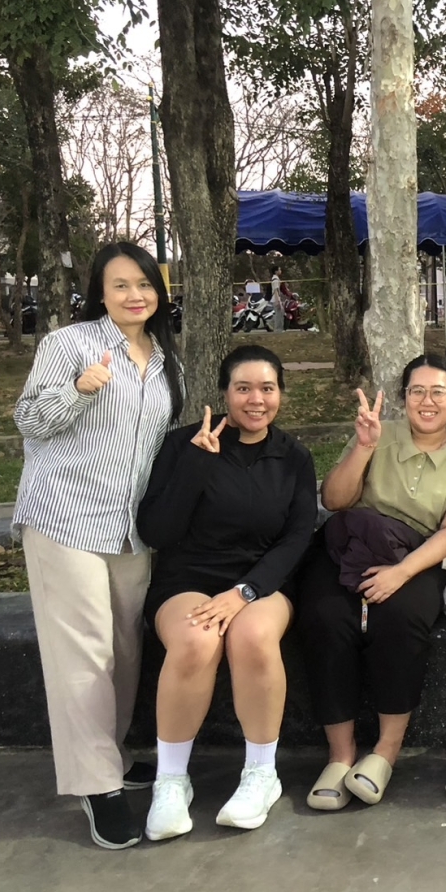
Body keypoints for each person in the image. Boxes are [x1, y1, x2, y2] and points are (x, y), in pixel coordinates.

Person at [12, 241, 185, 849]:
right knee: (84, 654)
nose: (135, 295)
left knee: (124, 649)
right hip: (65, 518)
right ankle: (97, 785)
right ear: (100, 293)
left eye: (145, 284)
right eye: (121, 285)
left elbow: (160, 444)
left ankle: (109, 753)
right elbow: (29, 420)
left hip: (130, 528)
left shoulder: (167, 360)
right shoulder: (69, 344)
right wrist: (79, 390)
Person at [135, 345, 316, 839]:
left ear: (280, 394)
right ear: (224, 393)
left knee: (252, 637)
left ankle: (261, 773)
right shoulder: (184, 445)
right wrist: (196, 464)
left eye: (267, 388)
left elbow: (298, 536)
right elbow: (157, 531)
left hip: (262, 581)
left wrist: (247, 591)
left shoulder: (293, 457)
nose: (256, 400)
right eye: (243, 388)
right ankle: (171, 781)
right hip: (187, 579)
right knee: (197, 640)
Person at [295, 354, 446, 811]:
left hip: (416, 554)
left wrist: (401, 572)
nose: (427, 401)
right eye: (417, 391)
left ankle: (385, 751)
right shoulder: (379, 433)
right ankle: (341, 755)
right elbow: (334, 499)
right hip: (350, 541)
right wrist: (363, 448)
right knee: (325, 617)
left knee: (400, 620)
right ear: (404, 397)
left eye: (438, 392)